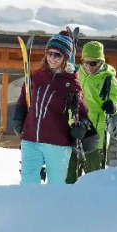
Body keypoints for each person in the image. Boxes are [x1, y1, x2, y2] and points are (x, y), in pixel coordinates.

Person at [13, 29, 89, 185]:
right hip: (31, 138)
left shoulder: (71, 83)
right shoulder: (36, 76)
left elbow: (81, 112)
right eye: (49, 53)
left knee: (56, 185)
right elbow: (23, 99)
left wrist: (82, 126)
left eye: (57, 55)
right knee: (28, 182)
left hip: (57, 142)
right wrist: (18, 118)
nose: (52, 58)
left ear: (65, 57)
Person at [66, 40, 117, 184]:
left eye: (93, 63)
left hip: (95, 136)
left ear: (101, 62)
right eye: (85, 62)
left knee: (93, 179)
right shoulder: (77, 74)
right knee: (68, 178)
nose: (88, 66)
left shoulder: (109, 79)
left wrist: (114, 106)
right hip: (74, 131)